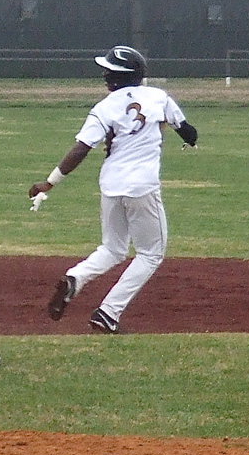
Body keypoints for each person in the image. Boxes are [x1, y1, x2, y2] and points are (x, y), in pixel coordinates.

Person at [28, 45, 197, 334]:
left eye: (109, 71)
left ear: (119, 77)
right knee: (151, 254)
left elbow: (81, 148)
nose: (105, 76)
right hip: (142, 186)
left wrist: (50, 182)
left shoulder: (103, 108)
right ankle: (108, 312)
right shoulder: (158, 97)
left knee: (113, 248)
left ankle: (76, 277)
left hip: (111, 184)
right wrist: (190, 139)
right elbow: (185, 129)